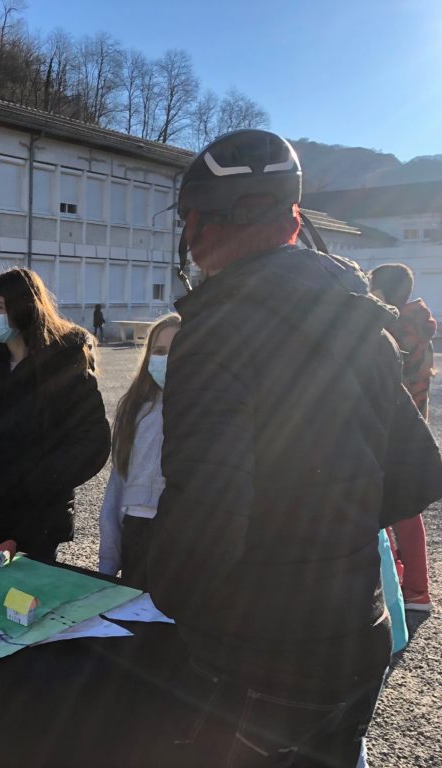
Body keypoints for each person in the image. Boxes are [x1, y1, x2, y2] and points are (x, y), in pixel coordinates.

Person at [146, 130, 442, 767]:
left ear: (195, 226)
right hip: (359, 632)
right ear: (296, 220)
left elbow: (206, 515)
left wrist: (159, 597)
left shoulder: (216, 330)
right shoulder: (357, 314)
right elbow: (418, 474)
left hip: (259, 651)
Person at [0, 268, 110, 563]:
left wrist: (44, 479)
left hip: (39, 515)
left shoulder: (65, 362)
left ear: (25, 305)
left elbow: (93, 437)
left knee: (27, 598)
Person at [369, 263, 436, 612]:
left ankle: (412, 591)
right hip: (409, 425)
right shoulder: (416, 326)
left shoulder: (393, 329)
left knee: (398, 509)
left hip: (390, 427)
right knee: (405, 508)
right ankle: (413, 589)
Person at [98, 313, 179, 587]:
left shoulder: (209, 412)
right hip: (139, 532)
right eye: (159, 351)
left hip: (184, 536)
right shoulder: (136, 409)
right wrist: (107, 565)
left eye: (176, 350)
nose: (166, 359)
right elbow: (117, 486)